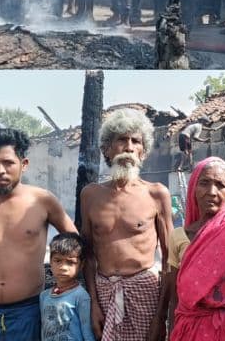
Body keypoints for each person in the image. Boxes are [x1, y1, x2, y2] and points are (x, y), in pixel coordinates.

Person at [0, 128, 79, 341]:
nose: (0, 170)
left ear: (24, 164)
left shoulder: (43, 201)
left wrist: (66, 292)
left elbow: (76, 244)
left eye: (8, 163)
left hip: (29, 312)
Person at [79, 108, 172, 341]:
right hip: (104, 292)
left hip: (146, 294)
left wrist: (160, 317)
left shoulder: (157, 194)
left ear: (144, 151)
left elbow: (171, 259)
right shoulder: (90, 195)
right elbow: (87, 255)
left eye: (136, 141)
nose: (129, 147)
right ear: (107, 149)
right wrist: (93, 304)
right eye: (121, 140)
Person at [161, 157, 225, 341]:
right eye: (204, 183)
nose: (211, 192)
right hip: (190, 331)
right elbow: (176, 298)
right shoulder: (178, 236)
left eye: (220, 185)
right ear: (193, 187)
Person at [40, 232, 97, 341]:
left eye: (70, 262)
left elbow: (87, 331)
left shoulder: (80, 296)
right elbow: (43, 330)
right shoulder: (44, 296)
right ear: (50, 262)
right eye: (57, 261)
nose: (63, 267)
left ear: (81, 265)